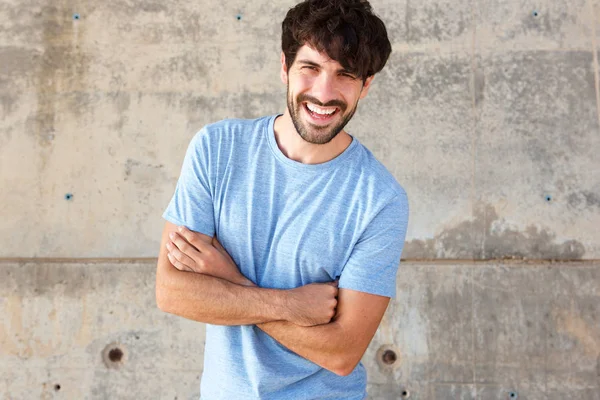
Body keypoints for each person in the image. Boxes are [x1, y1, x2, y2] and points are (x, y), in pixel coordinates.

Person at [155, 0, 409, 398]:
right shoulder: (217, 149)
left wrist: (229, 279)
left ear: (367, 84)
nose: (324, 94)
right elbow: (172, 291)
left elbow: (342, 352)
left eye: (345, 74)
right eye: (311, 68)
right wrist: (288, 305)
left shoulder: (379, 199)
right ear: (285, 67)